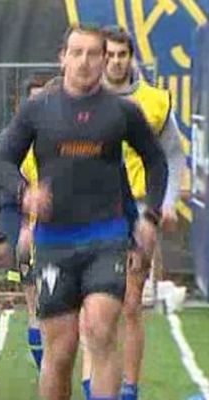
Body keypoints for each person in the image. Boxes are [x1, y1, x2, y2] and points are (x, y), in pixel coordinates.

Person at [0, 25, 167, 400]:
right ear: (63, 57)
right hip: (54, 242)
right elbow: (3, 160)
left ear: (104, 61)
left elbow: (156, 161)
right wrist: (24, 192)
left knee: (101, 330)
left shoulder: (122, 111)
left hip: (106, 238)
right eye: (77, 53)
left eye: (94, 54)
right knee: (60, 352)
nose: (85, 62)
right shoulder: (37, 110)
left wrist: (149, 216)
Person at [79, 26, 185, 400]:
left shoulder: (153, 101)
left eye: (122, 54)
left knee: (129, 303)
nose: (115, 61)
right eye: (108, 55)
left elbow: (171, 154)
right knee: (91, 301)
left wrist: (166, 201)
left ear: (132, 57)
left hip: (137, 211)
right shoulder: (84, 98)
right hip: (92, 209)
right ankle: (91, 383)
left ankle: (128, 388)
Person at [0, 75, 51, 372]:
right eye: (31, 101)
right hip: (25, 226)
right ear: (19, 106)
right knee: (35, 298)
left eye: (43, 100)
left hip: (63, 227)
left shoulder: (66, 136)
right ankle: (44, 370)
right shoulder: (8, 143)